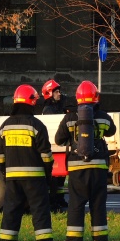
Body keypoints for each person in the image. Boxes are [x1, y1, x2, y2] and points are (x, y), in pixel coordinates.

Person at [55, 81, 115, 241]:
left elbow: (58, 140)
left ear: (77, 98)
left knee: (76, 204)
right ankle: (100, 240)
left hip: (77, 168)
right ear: (96, 97)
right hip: (98, 168)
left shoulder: (69, 118)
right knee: (98, 204)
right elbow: (112, 131)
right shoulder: (103, 117)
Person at [0, 85, 54, 241]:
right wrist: (48, 173)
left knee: (11, 209)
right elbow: (46, 155)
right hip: (35, 177)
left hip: (13, 178)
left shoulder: (5, 126)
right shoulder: (37, 125)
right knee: (39, 208)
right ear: (32, 102)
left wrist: (4, 172)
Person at [40, 79, 69, 212]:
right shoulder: (48, 110)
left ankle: (59, 199)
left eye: (59, 91)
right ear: (49, 93)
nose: (59, 94)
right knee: (54, 179)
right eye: (56, 92)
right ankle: (54, 202)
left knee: (61, 178)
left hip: (59, 146)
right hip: (53, 147)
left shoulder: (57, 107)